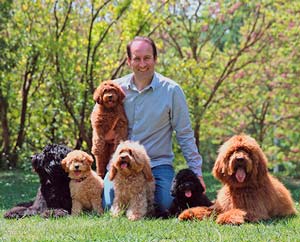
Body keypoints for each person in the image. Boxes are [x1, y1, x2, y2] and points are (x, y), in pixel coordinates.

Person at [102, 36, 206, 213]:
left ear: (155, 59)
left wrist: (197, 172)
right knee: (108, 204)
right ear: (129, 61)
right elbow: (99, 127)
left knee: (165, 205)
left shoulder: (171, 90)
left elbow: (185, 134)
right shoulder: (115, 90)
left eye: (147, 58)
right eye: (137, 58)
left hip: (158, 164)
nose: (142, 64)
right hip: (122, 164)